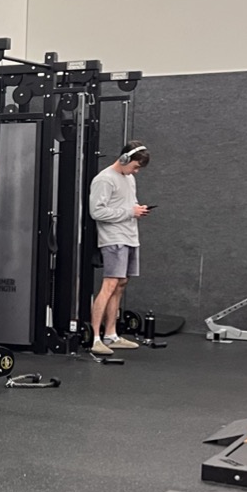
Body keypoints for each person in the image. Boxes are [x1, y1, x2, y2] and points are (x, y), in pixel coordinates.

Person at [87, 141, 152, 357]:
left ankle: (111, 335)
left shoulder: (129, 178)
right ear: (124, 159)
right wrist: (129, 212)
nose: (136, 171)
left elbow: (126, 206)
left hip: (130, 237)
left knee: (121, 284)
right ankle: (96, 337)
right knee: (110, 284)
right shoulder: (104, 179)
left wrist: (137, 210)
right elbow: (97, 212)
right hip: (113, 238)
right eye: (135, 166)